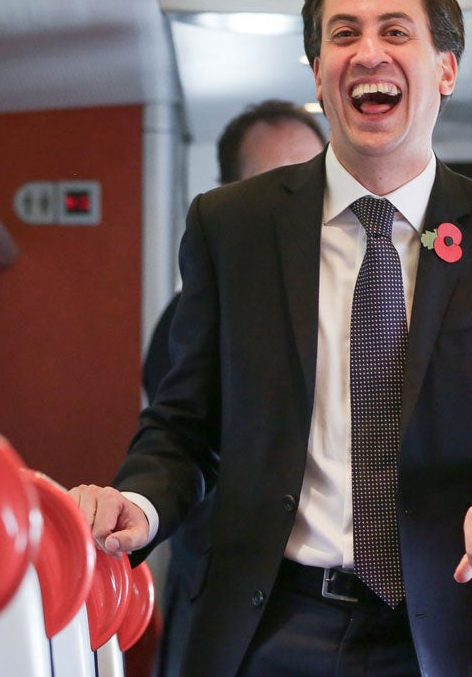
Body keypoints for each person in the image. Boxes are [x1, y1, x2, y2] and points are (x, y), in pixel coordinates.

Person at [72, 0, 472, 677]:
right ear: (318, 74)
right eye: (342, 34)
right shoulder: (234, 227)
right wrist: (142, 505)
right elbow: (184, 429)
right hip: (268, 628)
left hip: (446, 634)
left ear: (444, 68)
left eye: (395, 31)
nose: (367, 51)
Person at [142, 99, 326, 677]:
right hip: (230, 600)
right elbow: (184, 446)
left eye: (312, 179)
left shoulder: (367, 304)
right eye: (273, 185)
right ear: (229, 195)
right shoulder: (191, 318)